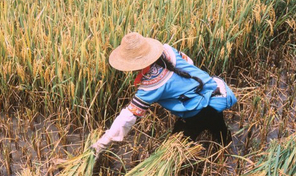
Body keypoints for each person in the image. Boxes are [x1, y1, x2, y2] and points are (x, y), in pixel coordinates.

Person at [91, 32, 237, 157]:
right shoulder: (168, 50)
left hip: (201, 108)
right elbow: (189, 62)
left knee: (175, 148)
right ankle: (230, 154)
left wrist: (102, 143)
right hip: (215, 92)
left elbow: (127, 117)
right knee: (221, 132)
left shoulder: (151, 85)